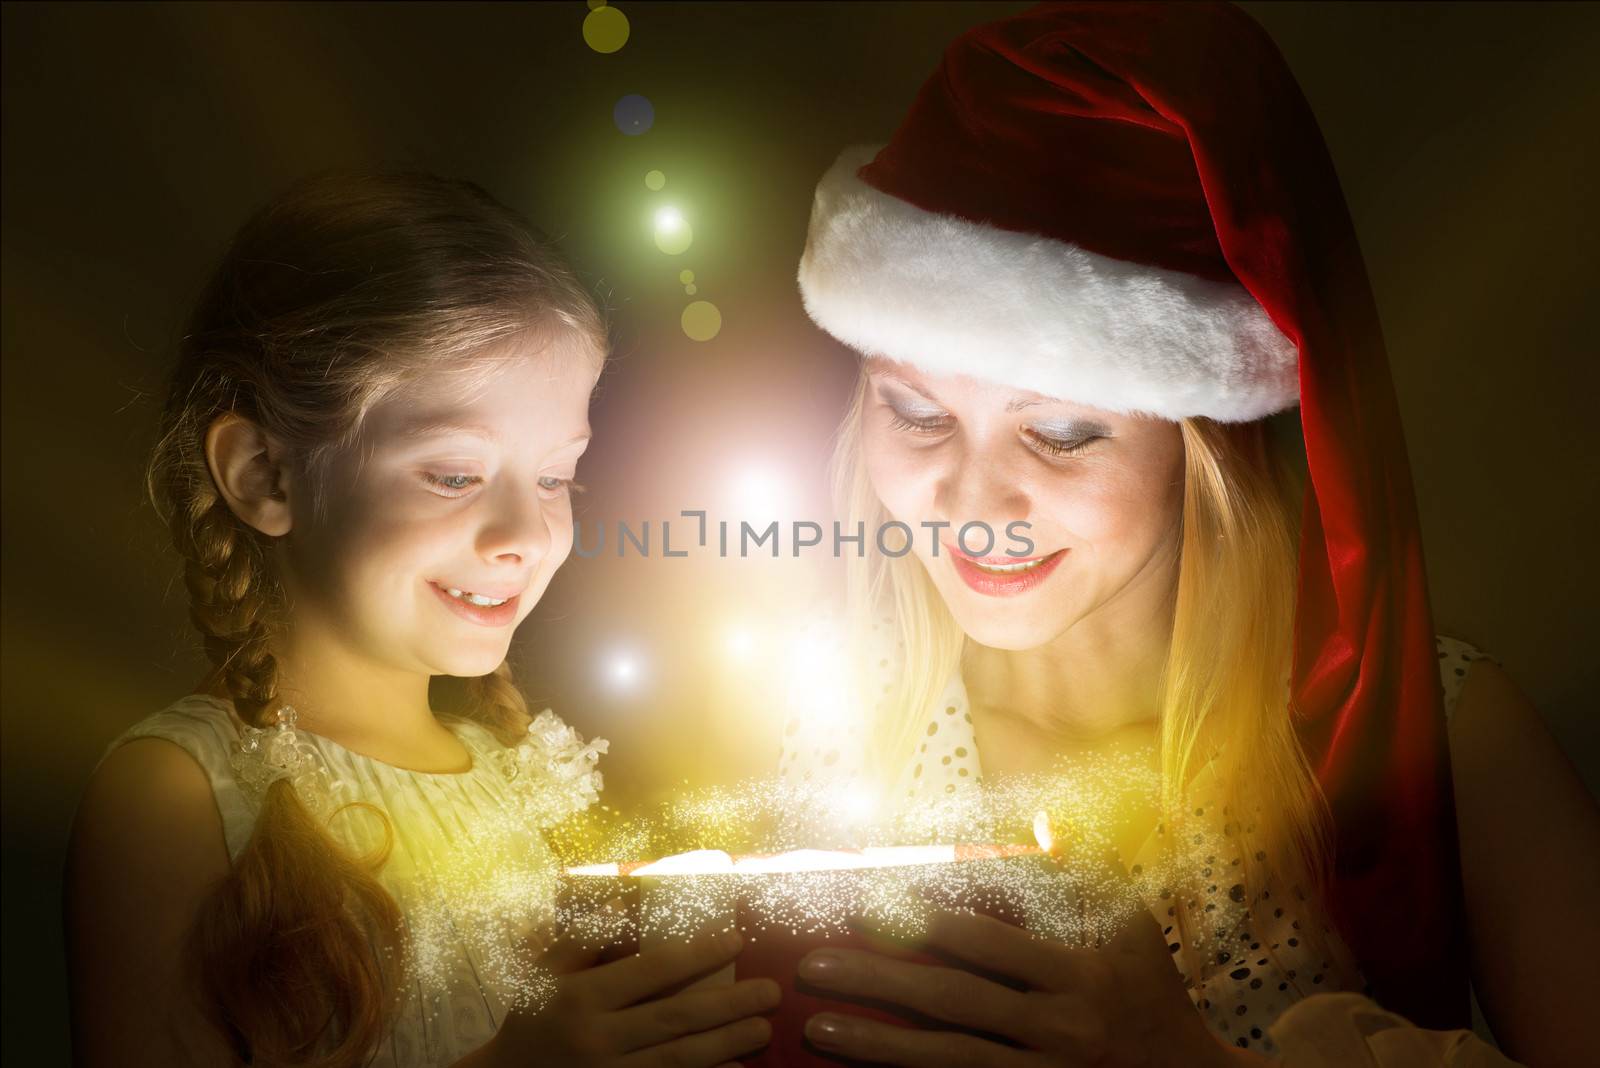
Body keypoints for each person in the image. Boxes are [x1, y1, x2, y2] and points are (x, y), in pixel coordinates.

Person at [778, 3, 1598, 1065]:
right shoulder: (819, 741)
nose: (973, 504)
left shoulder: (1433, 737)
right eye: (917, 413)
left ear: (1200, 445)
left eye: (1062, 433)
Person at [64, 172, 779, 1068]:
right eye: (453, 474)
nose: (526, 534)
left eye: (556, 477)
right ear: (264, 475)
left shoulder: (536, 792)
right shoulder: (178, 799)